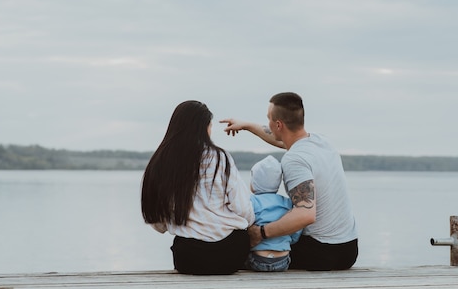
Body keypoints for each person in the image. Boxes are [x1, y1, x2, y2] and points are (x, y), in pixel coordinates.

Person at [221, 92, 358, 271]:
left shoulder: (294, 159)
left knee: (241, 244)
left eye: (269, 119)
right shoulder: (322, 141)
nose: (268, 124)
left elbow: (306, 214)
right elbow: (281, 138)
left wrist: (261, 233)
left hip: (321, 252)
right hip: (349, 250)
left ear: (278, 124)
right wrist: (246, 125)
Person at [141, 100, 255, 275]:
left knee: (182, 243)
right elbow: (242, 209)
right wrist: (251, 224)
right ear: (204, 128)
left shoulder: (161, 162)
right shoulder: (220, 158)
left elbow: (159, 224)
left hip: (188, 258)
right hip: (229, 255)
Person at [246, 155, 301, 272]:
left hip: (257, 260)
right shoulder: (288, 203)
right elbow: (296, 231)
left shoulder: (251, 202)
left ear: (255, 182)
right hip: (282, 261)